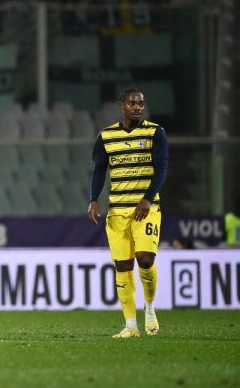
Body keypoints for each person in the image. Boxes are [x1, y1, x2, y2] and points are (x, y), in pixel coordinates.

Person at [87, 88, 168, 339]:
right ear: (121, 104)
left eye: (141, 103)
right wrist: (93, 199)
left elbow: (162, 168)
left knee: (145, 259)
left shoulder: (155, 132)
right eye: (132, 103)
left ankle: (150, 307)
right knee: (123, 266)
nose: (137, 107)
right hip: (117, 210)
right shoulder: (107, 136)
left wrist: (147, 197)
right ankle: (130, 326)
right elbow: (99, 170)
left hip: (147, 209)